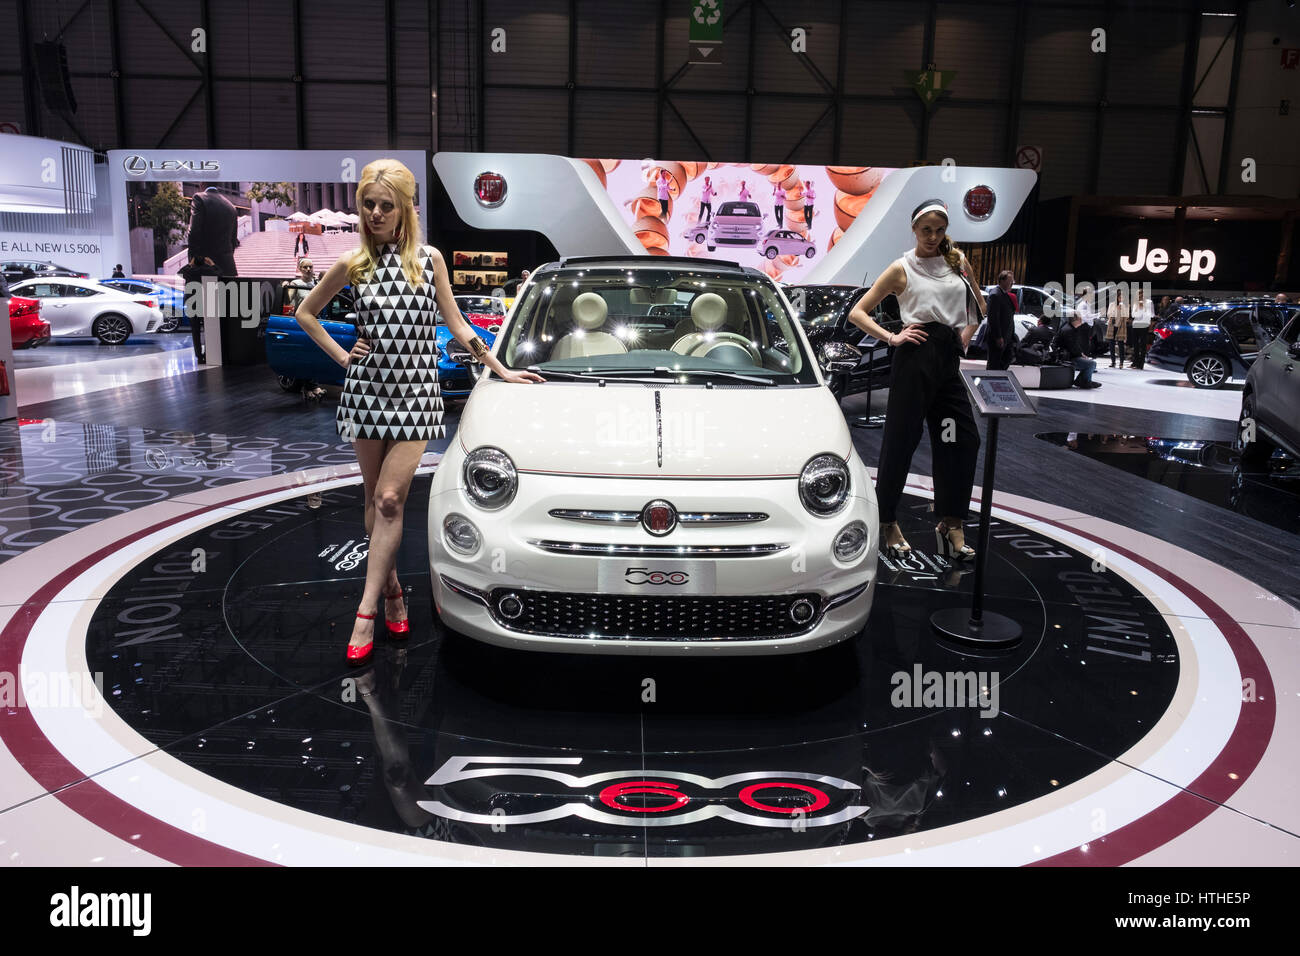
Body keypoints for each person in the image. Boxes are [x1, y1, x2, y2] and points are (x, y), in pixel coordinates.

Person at [293, 158, 545, 665]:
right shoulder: (352, 262)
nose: (377, 212)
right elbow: (304, 312)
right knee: (373, 501)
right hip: (366, 392)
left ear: (407, 208)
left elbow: (457, 324)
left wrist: (501, 368)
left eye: (388, 204)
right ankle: (390, 592)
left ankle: (365, 608)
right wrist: (343, 357)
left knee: (388, 499)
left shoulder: (429, 260)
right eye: (369, 204)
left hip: (414, 394)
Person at [847, 198, 985, 561]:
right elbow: (858, 312)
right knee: (901, 440)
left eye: (940, 230)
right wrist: (892, 337)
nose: (934, 237)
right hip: (913, 358)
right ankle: (887, 520)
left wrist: (964, 337)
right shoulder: (901, 267)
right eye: (927, 230)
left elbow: (979, 308)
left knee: (961, 438)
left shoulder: (958, 262)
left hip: (947, 359)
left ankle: (951, 521)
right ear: (914, 229)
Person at [282, 258, 325, 401]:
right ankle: (311, 386)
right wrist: (286, 287)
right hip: (303, 324)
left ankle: (311, 386)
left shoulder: (317, 284)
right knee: (308, 354)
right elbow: (288, 303)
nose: (308, 269)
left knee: (316, 354)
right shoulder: (296, 284)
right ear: (300, 269)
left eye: (310, 267)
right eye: (305, 267)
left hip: (319, 322)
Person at [187, 185, 239, 276]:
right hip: (228, 268)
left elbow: (193, 232)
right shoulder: (231, 206)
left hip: (205, 269)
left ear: (202, 183)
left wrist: (194, 262)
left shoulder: (199, 198)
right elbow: (233, 241)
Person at [1054, 312, 1100, 388]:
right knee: (1092, 364)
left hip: (1066, 355)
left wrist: (1081, 354)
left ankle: (1083, 380)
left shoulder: (1068, 328)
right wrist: (1081, 355)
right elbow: (1072, 348)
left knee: (1088, 362)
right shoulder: (1069, 331)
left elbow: (1073, 346)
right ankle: (1084, 381)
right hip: (1067, 358)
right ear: (1077, 320)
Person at [985, 270, 1016, 370]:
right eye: (1010, 281)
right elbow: (993, 318)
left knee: (1008, 357)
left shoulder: (1004, 294)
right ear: (1002, 281)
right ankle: (990, 381)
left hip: (1007, 336)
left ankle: (999, 378)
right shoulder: (995, 295)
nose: (1013, 283)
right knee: (994, 363)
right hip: (998, 337)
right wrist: (998, 336)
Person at [1129, 289, 1154, 369]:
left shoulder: (1149, 302)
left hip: (1144, 324)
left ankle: (1141, 364)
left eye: (1141, 294)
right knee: (1135, 345)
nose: (1140, 296)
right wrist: (1138, 310)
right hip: (1136, 325)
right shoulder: (1135, 303)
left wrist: (1144, 309)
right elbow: (1133, 315)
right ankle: (1135, 362)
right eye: (1138, 294)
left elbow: (1152, 315)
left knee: (1143, 345)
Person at [1105, 286, 1128, 368]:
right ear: (1117, 297)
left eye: (1123, 297)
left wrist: (1122, 310)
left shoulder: (1125, 305)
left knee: (1121, 345)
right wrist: (1116, 310)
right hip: (1112, 326)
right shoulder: (1112, 304)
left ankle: (1121, 363)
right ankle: (1113, 362)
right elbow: (1108, 315)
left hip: (1121, 327)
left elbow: (1127, 316)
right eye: (1120, 297)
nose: (1122, 298)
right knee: (1111, 345)